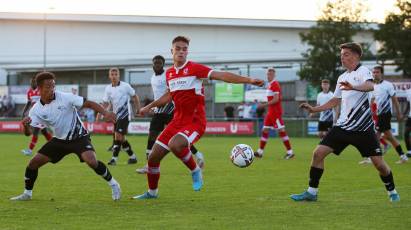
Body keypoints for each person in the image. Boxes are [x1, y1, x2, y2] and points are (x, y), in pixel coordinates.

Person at [133, 36, 263, 199]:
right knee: (153, 158)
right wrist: (148, 106)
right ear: (171, 51)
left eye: (184, 49)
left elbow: (222, 75)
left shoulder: (194, 68)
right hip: (176, 122)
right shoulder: (170, 74)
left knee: (175, 144)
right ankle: (152, 193)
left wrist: (249, 80)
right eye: (178, 48)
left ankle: (195, 170)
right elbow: (169, 96)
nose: (181, 51)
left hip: (195, 122)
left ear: (187, 51)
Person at [291, 42, 400, 202]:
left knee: (379, 164)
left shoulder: (363, 71)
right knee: (318, 153)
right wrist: (315, 109)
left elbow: (370, 86)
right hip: (342, 127)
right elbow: (335, 100)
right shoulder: (342, 77)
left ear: (356, 56)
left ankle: (392, 191)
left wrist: (353, 87)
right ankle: (312, 192)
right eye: (341, 55)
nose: (342, 57)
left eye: (346, 54)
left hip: (363, 129)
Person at [10, 72, 121, 201]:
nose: (52, 89)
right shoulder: (36, 109)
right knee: (33, 163)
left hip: (79, 136)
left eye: (53, 86)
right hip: (59, 140)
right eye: (48, 86)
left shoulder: (65, 97)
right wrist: (26, 126)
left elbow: (89, 103)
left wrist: (105, 112)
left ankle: (113, 184)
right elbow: (28, 133)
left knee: (91, 161)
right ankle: (27, 193)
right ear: (39, 89)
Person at [136, 55, 205, 174]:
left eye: (159, 63)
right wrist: (152, 107)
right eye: (155, 63)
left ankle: (197, 154)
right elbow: (157, 95)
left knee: (178, 136)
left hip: (170, 109)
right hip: (158, 110)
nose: (157, 65)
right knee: (152, 135)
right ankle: (148, 164)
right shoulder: (153, 77)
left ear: (163, 64)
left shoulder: (168, 74)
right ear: (152, 64)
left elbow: (170, 94)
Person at [359, 66, 407, 164]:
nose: (375, 74)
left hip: (385, 114)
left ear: (381, 73)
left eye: (377, 72)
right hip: (379, 114)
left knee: (376, 136)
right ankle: (402, 156)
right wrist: (369, 111)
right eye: (374, 72)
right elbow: (372, 100)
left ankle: (371, 158)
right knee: (388, 137)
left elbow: (395, 100)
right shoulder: (373, 86)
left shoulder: (388, 85)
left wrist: (399, 113)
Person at [103, 67, 140, 166]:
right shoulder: (108, 88)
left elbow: (135, 96)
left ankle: (114, 159)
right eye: (112, 74)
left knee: (118, 136)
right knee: (121, 138)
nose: (114, 76)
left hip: (125, 114)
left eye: (116, 74)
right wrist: (101, 113)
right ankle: (133, 157)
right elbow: (106, 103)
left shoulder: (125, 86)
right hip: (116, 116)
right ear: (109, 76)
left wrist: (138, 109)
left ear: (119, 75)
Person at [255, 67, 295, 159]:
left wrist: (264, 105)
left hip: (276, 112)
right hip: (270, 112)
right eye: (268, 74)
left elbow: (276, 99)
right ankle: (260, 152)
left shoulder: (275, 84)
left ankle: (290, 152)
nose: (268, 76)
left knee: (281, 130)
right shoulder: (270, 85)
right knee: (265, 130)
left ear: (274, 75)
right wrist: (264, 104)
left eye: (270, 74)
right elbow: (271, 98)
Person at [21, 76, 53, 156]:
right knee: (44, 132)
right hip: (35, 115)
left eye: (34, 82)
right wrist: (24, 112)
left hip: (42, 114)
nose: (32, 83)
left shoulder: (41, 90)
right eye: (31, 82)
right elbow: (28, 103)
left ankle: (29, 150)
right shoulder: (29, 92)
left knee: (35, 131)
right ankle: (55, 146)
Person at [405, 89, 411, 157]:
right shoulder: (408, 91)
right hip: (410, 116)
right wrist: (403, 114)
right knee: (406, 133)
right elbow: (408, 104)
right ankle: (409, 151)